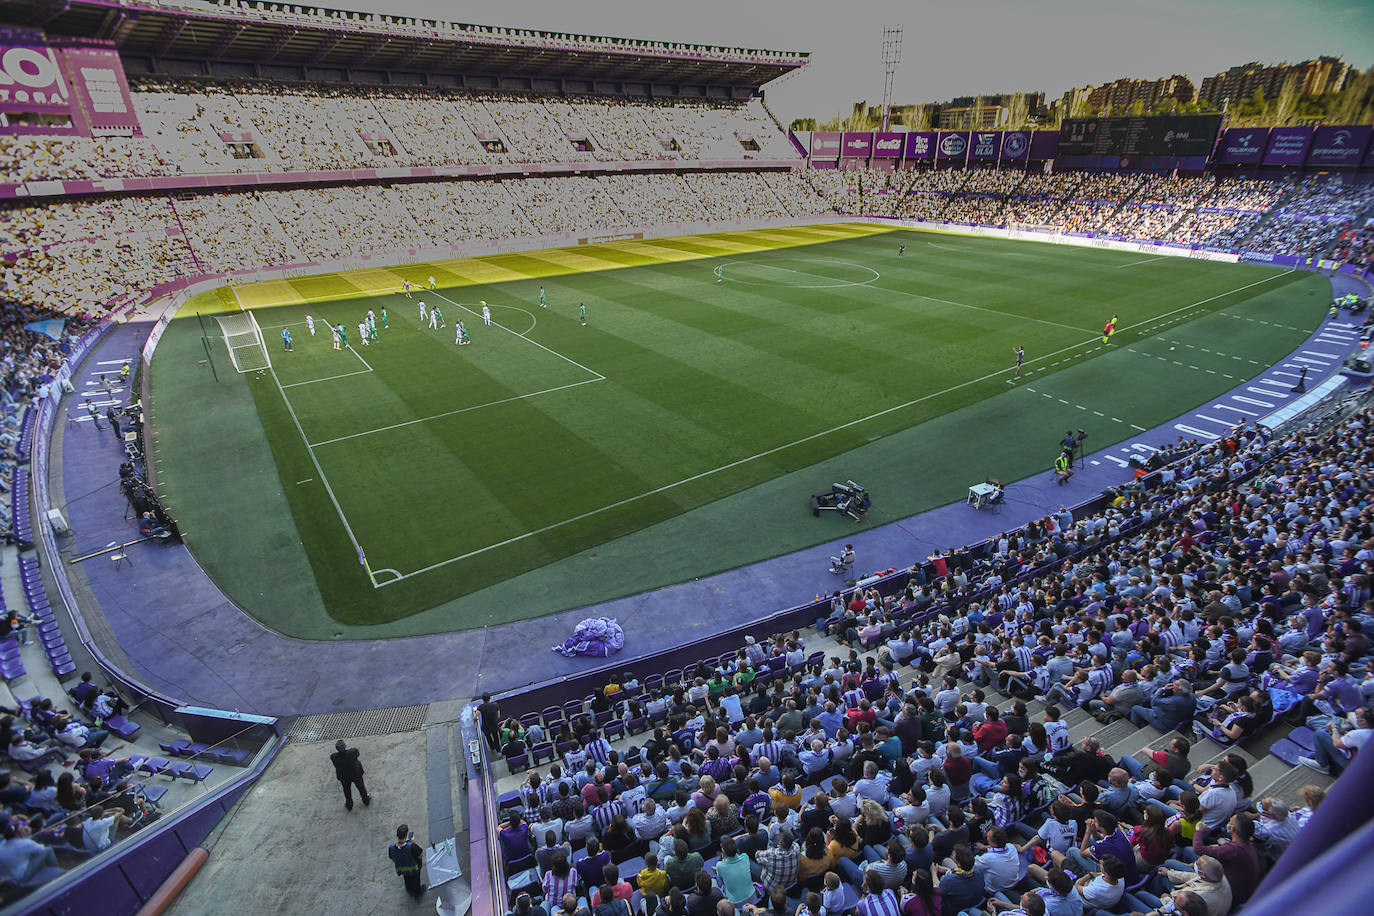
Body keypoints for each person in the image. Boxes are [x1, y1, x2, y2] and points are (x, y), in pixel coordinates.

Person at [331, 739, 371, 810]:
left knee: (346, 790)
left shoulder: (333, 757)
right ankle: (366, 800)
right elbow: (357, 754)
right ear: (345, 746)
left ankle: (349, 805)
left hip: (343, 776)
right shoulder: (352, 752)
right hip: (355, 774)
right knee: (361, 787)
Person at [389, 823, 425, 900]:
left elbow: (391, 857)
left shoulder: (391, 848)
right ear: (406, 835)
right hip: (413, 869)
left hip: (402, 870)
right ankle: (417, 893)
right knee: (416, 881)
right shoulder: (412, 846)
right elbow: (420, 855)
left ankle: (409, 890)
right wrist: (413, 843)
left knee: (407, 879)